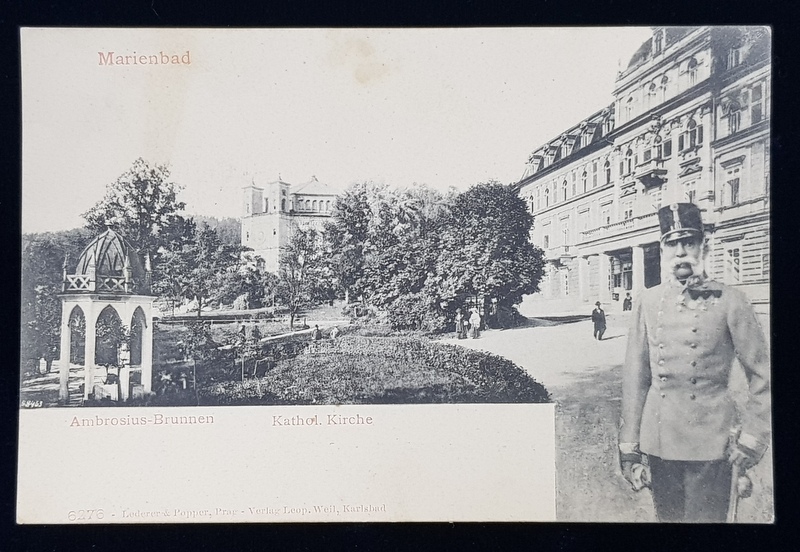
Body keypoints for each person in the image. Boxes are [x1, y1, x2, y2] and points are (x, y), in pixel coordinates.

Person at [618, 203, 770, 522]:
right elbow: (636, 379)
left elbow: (763, 377)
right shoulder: (648, 302)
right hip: (660, 444)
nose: (681, 251)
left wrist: (752, 439)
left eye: (689, 241)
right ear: (662, 249)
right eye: (672, 243)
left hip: (713, 446)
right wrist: (630, 448)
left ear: (704, 246)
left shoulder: (731, 301)